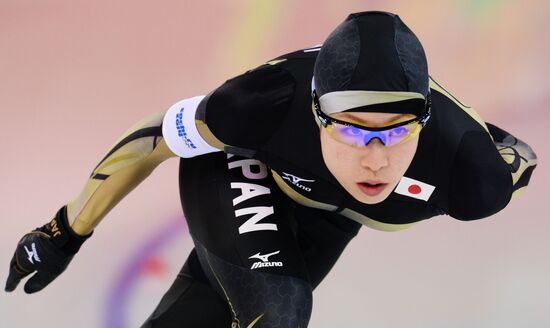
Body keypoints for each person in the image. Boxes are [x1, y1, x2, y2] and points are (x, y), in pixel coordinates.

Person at [5, 11, 537, 328]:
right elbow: (152, 141)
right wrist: (64, 230)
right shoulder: (261, 104)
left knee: (215, 308)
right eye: (350, 128)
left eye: (397, 130)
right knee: (278, 309)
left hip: (325, 217)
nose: (375, 157)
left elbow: (516, 156)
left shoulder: (474, 177)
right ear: (313, 112)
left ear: (425, 122)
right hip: (245, 167)